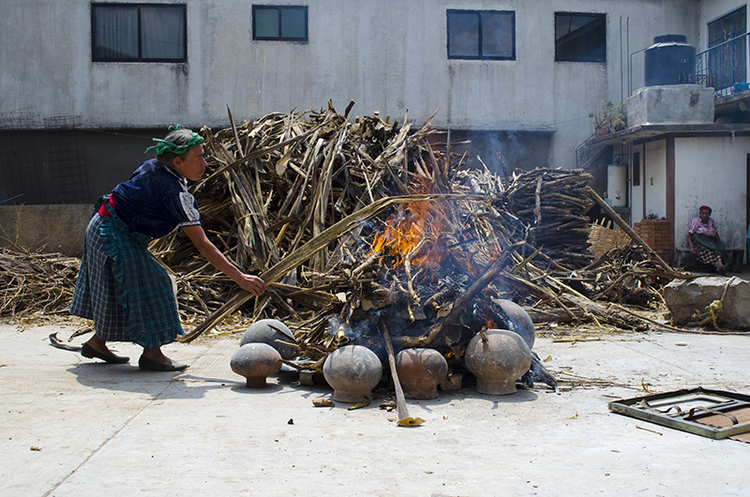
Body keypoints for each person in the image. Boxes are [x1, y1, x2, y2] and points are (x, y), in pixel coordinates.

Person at [70, 127, 267, 371]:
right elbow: (202, 244)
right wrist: (240, 278)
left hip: (104, 224)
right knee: (156, 283)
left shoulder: (156, 167)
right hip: (112, 232)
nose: (205, 164)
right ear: (177, 161)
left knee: (118, 287)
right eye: (198, 158)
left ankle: (96, 344)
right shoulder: (172, 192)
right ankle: (152, 355)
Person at [687, 205, 729, 275]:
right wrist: (692, 247)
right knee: (708, 252)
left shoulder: (711, 222)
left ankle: (720, 266)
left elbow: (715, 234)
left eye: (707, 214)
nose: (705, 215)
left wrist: (718, 244)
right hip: (700, 244)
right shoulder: (696, 222)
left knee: (718, 252)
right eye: (703, 213)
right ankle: (719, 267)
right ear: (700, 213)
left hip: (711, 242)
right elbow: (689, 235)